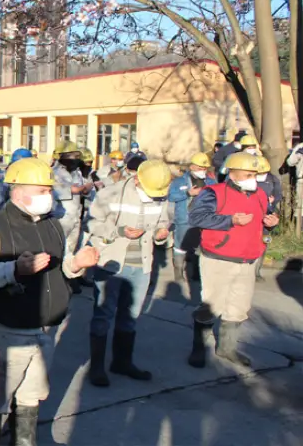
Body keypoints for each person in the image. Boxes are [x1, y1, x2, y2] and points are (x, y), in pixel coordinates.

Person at [0, 158, 100, 446]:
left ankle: (25, 440)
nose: (47, 196)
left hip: (45, 326)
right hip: (6, 327)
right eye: (40, 191)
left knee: (32, 391)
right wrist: (13, 270)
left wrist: (77, 264)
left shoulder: (53, 226)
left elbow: (59, 269)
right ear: (17, 192)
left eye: (47, 190)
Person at [84, 160, 174, 387]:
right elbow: (92, 223)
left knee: (131, 316)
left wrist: (162, 234)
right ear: (136, 179)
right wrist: (119, 231)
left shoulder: (161, 197)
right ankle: (96, 368)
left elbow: (163, 224)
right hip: (112, 263)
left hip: (141, 266)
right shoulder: (111, 193)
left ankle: (122, 362)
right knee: (103, 315)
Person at [187, 153, 279, 368]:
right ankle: (199, 350)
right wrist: (230, 220)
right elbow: (196, 217)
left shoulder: (260, 194)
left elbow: (267, 215)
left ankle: (227, 349)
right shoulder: (213, 192)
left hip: (248, 258)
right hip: (218, 258)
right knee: (212, 305)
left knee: (239, 306)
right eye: (248, 174)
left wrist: (271, 222)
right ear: (233, 173)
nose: (252, 178)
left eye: (254, 174)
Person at [167, 152, 216, 283]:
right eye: (200, 168)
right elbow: (171, 196)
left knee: (200, 247)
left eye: (205, 168)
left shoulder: (211, 182)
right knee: (180, 245)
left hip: (204, 220)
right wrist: (187, 193)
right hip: (184, 219)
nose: (203, 171)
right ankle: (178, 272)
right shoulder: (179, 181)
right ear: (192, 166)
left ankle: (196, 272)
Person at [52, 141, 91, 253]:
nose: (75, 159)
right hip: (61, 217)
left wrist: (85, 189)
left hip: (75, 217)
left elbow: (83, 190)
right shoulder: (54, 172)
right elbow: (62, 190)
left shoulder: (76, 172)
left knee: (70, 251)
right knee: (58, 249)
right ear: (63, 156)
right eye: (72, 156)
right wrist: (78, 188)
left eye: (76, 156)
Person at [254, 155, 282, 283]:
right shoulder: (248, 178)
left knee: (263, 243)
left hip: (266, 216)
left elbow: (277, 197)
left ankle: (257, 271)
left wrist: (271, 207)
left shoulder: (273, 180)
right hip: (251, 215)